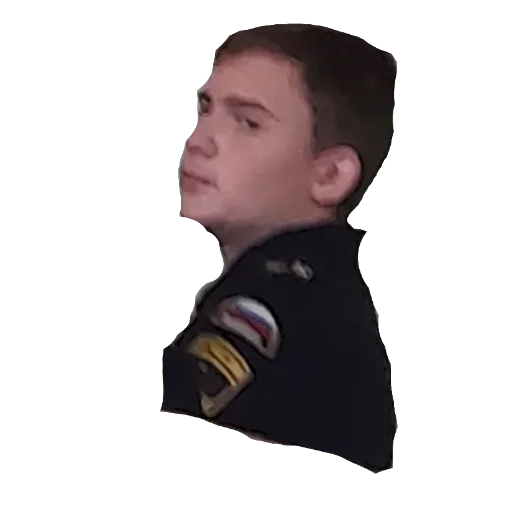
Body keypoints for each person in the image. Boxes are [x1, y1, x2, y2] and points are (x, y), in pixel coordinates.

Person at [164, 24, 396, 470]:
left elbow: (181, 399)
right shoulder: (313, 287)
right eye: (206, 110)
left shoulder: (284, 300)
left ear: (329, 176)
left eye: (248, 123)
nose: (199, 141)